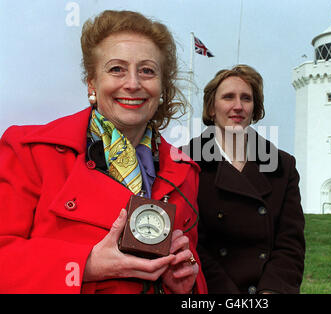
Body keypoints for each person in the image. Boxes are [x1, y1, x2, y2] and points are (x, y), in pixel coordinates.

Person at [0, 10, 207, 294]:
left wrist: (184, 284)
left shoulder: (184, 172)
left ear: (161, 87)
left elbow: (193, 273)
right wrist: (84, 265)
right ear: (92, 84)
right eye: (116, 69)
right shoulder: (29, 152)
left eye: (147, 70)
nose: (133, 83)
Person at [183, 65, 306, 294]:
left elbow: (290, 243)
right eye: (228, 97)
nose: (237, 106)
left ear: (254, 108)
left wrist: (272, 290)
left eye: (246, 98)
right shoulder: (185, 162)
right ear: (211, 108)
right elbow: (190, 244)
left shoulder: (283, 166)